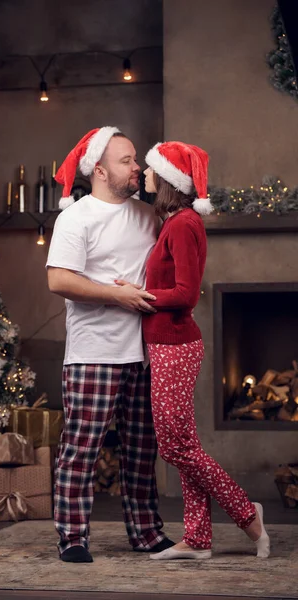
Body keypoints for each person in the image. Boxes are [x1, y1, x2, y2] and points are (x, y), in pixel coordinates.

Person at [117, 140, 270, 560]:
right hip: (165, 344)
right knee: (183, 440)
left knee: (174, 447)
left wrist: (140, 295)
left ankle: (246, 514)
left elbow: (186, 293)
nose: (143, 175)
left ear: (166, 178)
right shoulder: (173, 222)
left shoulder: (184, 224)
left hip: (176, 346)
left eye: (148, 169)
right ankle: (198, 538)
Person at [46, 127, 175, 563]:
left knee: (142, 452)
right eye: (128, 161)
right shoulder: (76, 218)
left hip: (145, 351)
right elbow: (59, 279)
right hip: (92, 353)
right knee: (81, 449)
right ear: (99, 170)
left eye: (136, 159)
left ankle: (146, 534)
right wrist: (118, 294)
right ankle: (73, 537)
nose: (138, 167)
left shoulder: (148, 215)